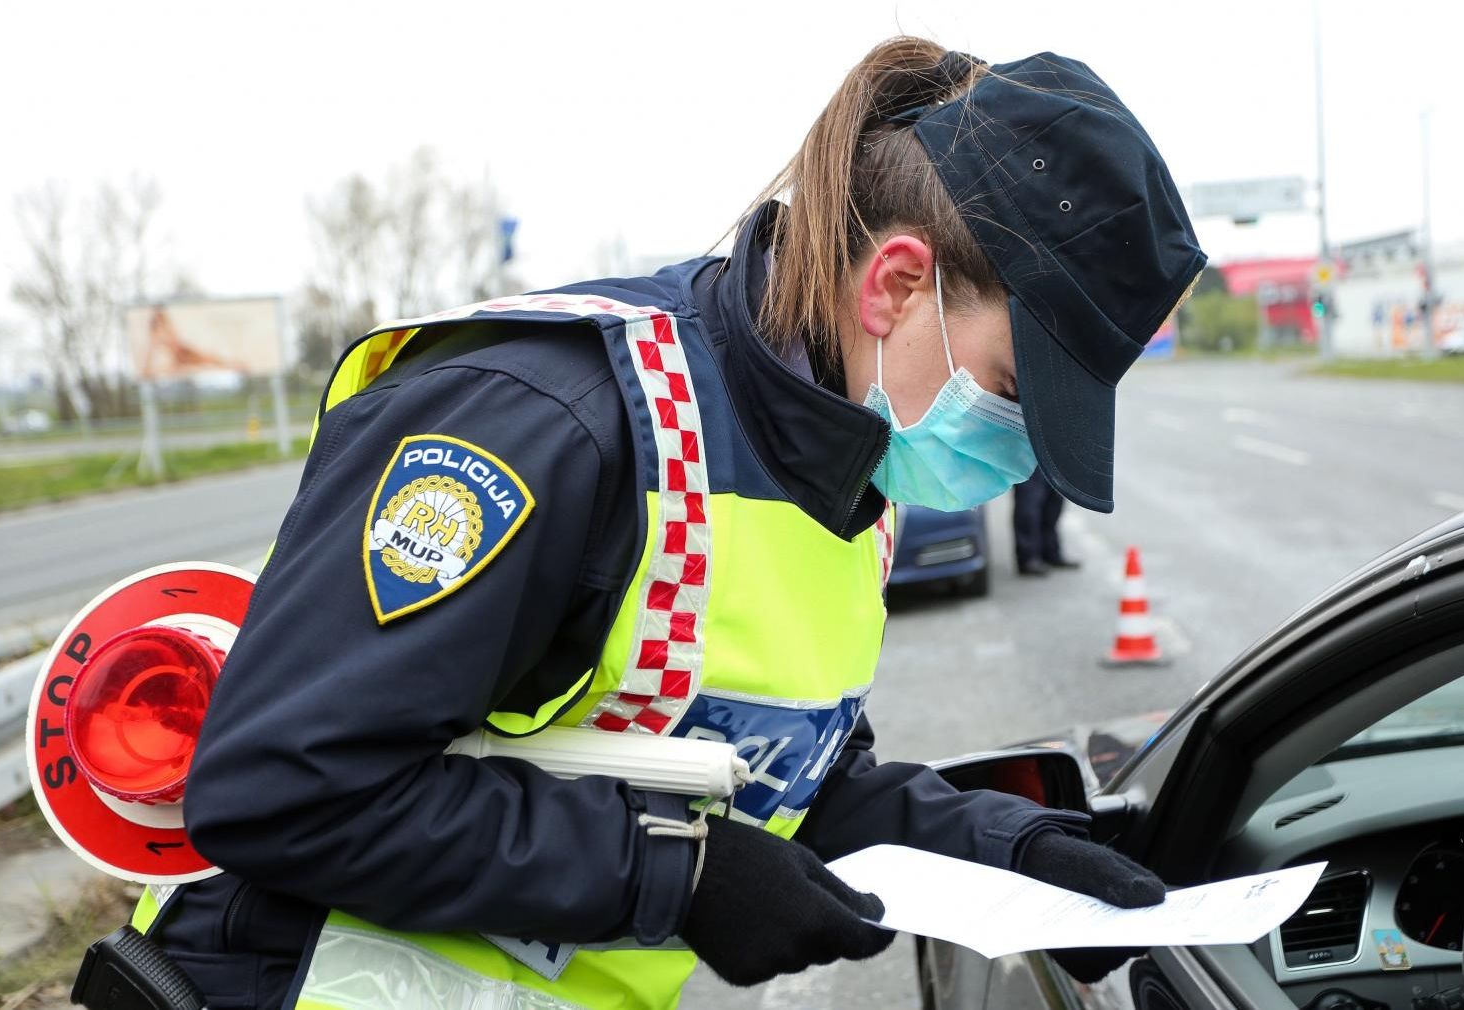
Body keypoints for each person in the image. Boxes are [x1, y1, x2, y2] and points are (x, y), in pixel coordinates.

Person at [118, 39, 1205, 1009]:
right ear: (897, 285)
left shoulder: (844, 487)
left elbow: (779, 778)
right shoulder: (547, 424)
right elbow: (280, 785)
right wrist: (672, 875)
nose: (1017, 444)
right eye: (1013, 383)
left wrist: (1007, 845)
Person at [1013, 467, 1080, 575]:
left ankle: (1050, 552)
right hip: (1030, 455)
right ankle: (1028, 558)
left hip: (1056, 454)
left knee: (1053, 504)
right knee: (1029, 505)